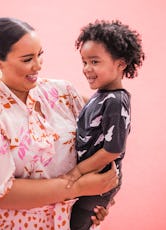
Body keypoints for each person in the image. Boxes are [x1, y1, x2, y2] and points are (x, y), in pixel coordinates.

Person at [0, 17, 118, 230]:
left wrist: (95, 203)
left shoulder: (62, 93)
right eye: (27, 59)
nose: (37, 66)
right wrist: (77, 188)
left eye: (40, 55)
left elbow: (101, 138)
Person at [59, 20, 144, 230]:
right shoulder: (101, 96)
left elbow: (113, 150)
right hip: (91, 178)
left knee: (76, 225)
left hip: (99, 178)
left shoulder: (116, 100)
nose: (87, 69)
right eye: (84, 62)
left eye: (94, 62)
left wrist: (77, 172)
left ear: (121, 64)